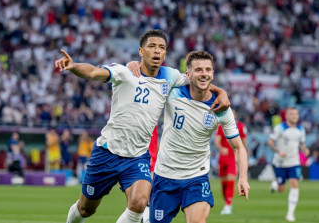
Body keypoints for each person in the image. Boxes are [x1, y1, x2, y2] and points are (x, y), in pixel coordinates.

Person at [56, 29, 230, 223]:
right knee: (86, 209)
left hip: (137, 157)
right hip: (107, 152)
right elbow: (95, 72)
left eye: (161, 48)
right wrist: (73, 66)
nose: (157, 51)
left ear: (165, 53)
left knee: (139, 202)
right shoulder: (125, 72)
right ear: (141, 51)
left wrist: (221, 91)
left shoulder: (171, 76)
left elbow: (199, 80)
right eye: (152, 46)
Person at [150, 51, 250, 223]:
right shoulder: (172, 91)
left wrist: (243, 177)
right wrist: (134, 65)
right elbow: (148, 73)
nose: (204, 73)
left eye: (208, 70)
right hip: (165, 175)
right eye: (198, 70)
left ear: (213, 73)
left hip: (196, 177)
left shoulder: (221, 107)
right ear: (187, 74)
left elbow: (239, 147)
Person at [267, 107, 309, 222]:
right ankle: (276, 182)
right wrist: (278, 152)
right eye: (291, 114)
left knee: (294, 184)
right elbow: (270, 142)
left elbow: (302, 144)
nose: (294, 116)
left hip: (294, 162)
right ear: (286, 116)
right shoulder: (280, 128)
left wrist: (305, 150)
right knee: (281, 189)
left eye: (296, 114)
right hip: (280, 162)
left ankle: (290, 214)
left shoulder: (301, 129)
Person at [214, 109, 248, 215]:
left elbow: (243, 143)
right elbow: (217, 141)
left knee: (230, 181)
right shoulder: (221, 126)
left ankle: (228, 205)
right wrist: (221, 148)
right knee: (223, 184)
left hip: (233, 157)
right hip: (222, 158)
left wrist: (243, 155)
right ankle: (227, 202)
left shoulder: (241, 126)